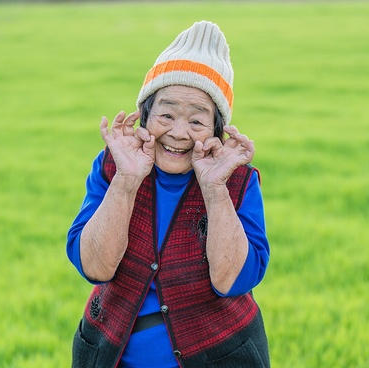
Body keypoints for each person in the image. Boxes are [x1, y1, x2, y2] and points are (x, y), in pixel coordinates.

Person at [67, 20, 270, 368]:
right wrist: (127, 181)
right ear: (145, 116)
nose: (178, 133)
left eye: (196, 121)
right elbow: (95, 267)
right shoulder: (114, 167)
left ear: (216, 130)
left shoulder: (238, 181)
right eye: (166, 114)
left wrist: (214, 187)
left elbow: (233, 280)